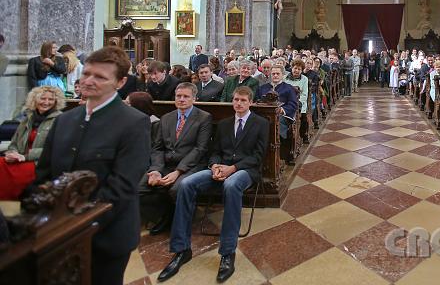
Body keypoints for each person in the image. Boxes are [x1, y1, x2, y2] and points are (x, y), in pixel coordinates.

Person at [34, 46, 151, 285]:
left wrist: (77, 223)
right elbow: (44, 174)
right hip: (57, 233)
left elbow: (122, 186)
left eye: (100, 77)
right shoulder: (64, 120)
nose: (88, 81)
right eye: (86, 73)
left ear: (120, 82)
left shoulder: (134, 123)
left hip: (105, 235)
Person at [158, 87, 269, 283]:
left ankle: (227, 252)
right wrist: (214, 165)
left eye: (243, 100)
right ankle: (181, 249)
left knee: (231, 186)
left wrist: (232, 168)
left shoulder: (260, 123)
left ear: (250, 102)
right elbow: (215, 150)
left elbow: (257, 157)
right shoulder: (225, 123)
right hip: (220, 168)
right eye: (235, 100)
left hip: (245, 171)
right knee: (186, 184)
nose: (238, 104)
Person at [139, 83, 212, 235]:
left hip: (190, 165)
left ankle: (180, 222)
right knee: (140, 187)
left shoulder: (204, 118)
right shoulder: (166, 118)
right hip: (166, 164)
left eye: (186, 96)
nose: (181, 100)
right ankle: (166, 215)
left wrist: (178, 171)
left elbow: (200, 149)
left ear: (194, 98)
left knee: (176, 188)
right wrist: (156, 170)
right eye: (178, 96)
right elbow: (158, 148)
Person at [0, 86, 64, 199]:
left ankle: (9, 203)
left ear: (56, 102)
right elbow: (14, 142)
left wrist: (25, 157)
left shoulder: (60, 120)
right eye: (43, 98)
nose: (46, 102)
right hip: (19, 159)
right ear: (34, 100)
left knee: (16, 176)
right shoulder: (27, 119)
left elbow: (55, 149)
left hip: (39, 163)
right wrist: (12, 153)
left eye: (51, 99)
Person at [257, 65, 298, 163]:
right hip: (264, 116)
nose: (275, 75)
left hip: (282, 116)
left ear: (283, 75)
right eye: (273, 74)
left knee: (277, 124)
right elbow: (257, 101)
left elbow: (293, 104)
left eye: (277, 74)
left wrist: (282, 110)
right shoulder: (263, 88)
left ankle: (278, 155)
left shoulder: (288, 88)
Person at [285, 59, 309, 142]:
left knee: (303, 118)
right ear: (292, 68)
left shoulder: (304, 79)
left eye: (299, 69)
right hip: (287, 102)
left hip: (299, 102)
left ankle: (304, 135)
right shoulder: (285, 78)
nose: (297, 70)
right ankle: (288, 137)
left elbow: (304, 94)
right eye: (295, 68)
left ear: (302, 70)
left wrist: (298, 102)